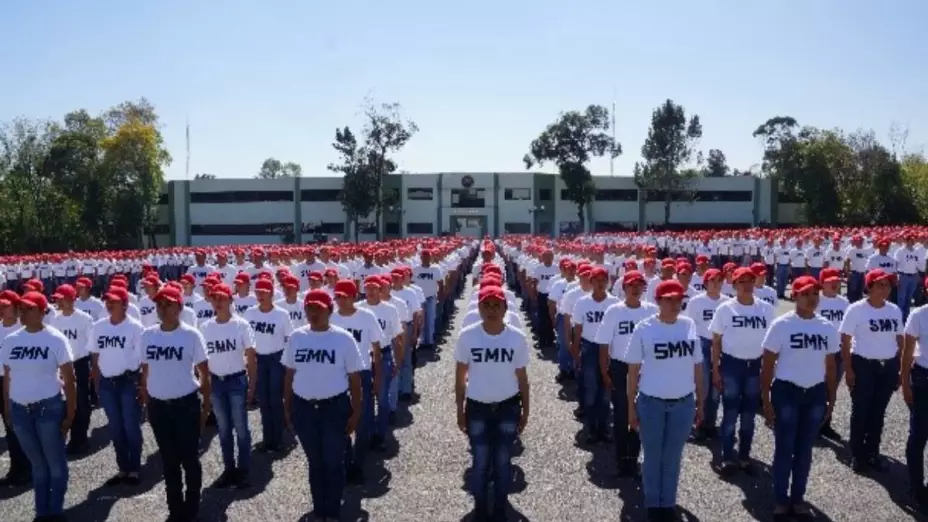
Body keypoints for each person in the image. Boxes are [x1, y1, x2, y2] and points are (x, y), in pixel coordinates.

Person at [760, 276, 839, 521]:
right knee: (785, 447)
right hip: (787, 392)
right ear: (794, 296)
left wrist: (832, 398)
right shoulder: (782, 325)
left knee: (805, 449)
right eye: (805, 293)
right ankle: (780, 500)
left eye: (815, 293)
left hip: (815, 392)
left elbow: (830, 365)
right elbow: (768, 363)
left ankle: (798, 499)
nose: (811, 298)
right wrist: (766, 399)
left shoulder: (826, 326)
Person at [626, 280, 704, 522]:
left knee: (672, 456)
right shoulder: (644, 328)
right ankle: (653, 504)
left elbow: (697, 366)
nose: (675, 303)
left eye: (678, 299)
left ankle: (667, 503)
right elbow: (633, 371)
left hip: (683, 402)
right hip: (652, 402)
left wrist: (701, 402)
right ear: (658, 301)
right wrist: (630, 408)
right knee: (652, 456)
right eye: (669, 299)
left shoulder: (689, 325)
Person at [283, 289, 363, 522]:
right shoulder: (297, 337)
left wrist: (356, 411)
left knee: (333, 462)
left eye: (318, 308)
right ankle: (320, 510)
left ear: (330, 310)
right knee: (315, 462)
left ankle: (333, 512)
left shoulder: (343, 339)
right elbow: (289, 374)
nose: (313, 313)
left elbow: (355, 378)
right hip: (304, 408)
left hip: (334, 409)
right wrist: (287, 407)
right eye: (309, 308)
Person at [455, 284, 530, 522]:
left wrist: (526, 410)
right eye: (486, 305)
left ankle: (499, 507)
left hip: (508, 406)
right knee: (480, 460)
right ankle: (480, 508)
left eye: (496, 305)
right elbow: (460, 376)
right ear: (478, 308)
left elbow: (522, 377)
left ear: (505, 308)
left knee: (503, 460)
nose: (491, 310)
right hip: (477, 406)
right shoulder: (468, 336)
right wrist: (460, 409)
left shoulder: (516, 338)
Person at [1, 291, 76, 521]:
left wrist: (70, 414)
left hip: (48, 409)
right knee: (38, 464)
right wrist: (7, 409)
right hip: (19, 410)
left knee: (55, 463)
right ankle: (42, 512)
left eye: (29, 308)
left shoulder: (55, 339)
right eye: (21, 308)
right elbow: (7, 377)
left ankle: (55, 510)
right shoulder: (11, 340)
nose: (23, 312)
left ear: (43, 312)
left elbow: (69, 379)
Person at [140, 286, 211, 522]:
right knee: (169, 461)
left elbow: (204, 372)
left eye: (168, 304)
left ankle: (192, 507)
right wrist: (146, 398)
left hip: (185, 405)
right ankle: (175, 509)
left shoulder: (191, 335)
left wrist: (206, 406)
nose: (162, 308)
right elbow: (145, 369)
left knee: (189, 459)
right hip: (159, 407)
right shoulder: (147, 335)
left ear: (179, 307)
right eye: (159, 304)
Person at [710, 267, 775, 476]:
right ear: (734, 285)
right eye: (742, 281)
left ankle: (745, 456)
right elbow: (716, 341)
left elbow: (771, 342)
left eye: (750, 281)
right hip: (731, 365)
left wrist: (769, 369)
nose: (747, 285)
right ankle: (727, 456)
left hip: (755, 366)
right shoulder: (725, 309)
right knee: (730, 412)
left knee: (749, 415)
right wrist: (715, 370)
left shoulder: (765, 309)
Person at [839, 268, 903, 473]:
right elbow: (845, 340)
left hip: (888, 365)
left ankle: (872, 452)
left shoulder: (894, 310)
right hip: (864, 364)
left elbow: (899, 338)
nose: (885, 289)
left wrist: (900, 367)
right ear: (870, 286)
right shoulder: (856, 309)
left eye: (888, 285)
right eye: (880, 285)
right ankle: (857, 455)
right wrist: (849, 369)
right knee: (861, 410)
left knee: (878, 411)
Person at [596, 270, 657, 477]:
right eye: (631, 285)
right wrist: (604, 371)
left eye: (639, 285)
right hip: (620, 367)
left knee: (641, 412)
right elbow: (604, 343)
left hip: (645, 368)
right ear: (624, 288)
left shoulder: (651, 310)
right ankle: (622, 458)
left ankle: (633, 456)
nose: (635, 289)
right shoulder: (614, 311)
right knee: (622, 412)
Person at [87, 287, 146, 486]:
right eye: (107, 301)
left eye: (114, 301)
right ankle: (123, 468)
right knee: (115, 427)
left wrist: (143, 385)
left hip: (128, 381)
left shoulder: (135, 327)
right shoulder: (99, 326)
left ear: (125, 305)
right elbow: (95, 355)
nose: (109, 304)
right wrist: (96, 382)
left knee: (130, 426)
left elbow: (144, 360)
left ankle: (134, 469)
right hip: (107, 383)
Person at [201, 283, 257, 488]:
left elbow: (251, 356)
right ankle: (229, 469)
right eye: (214, 298)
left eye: (222, 298)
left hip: (236, 380)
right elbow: (203, 360)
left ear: (230, 300)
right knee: (224, 429)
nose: (218, 302)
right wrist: (204, 385)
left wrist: (252, 384)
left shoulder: (241, 325)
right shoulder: (206, 327)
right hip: (216, 382)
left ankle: (244, 470)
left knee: (241, 428)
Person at [242, 278, 293, 453]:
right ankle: (267, 438)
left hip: (276, 359)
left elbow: (289, 339)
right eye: (258, 292)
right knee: (263, 399)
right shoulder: (250, 313)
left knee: (275, 399)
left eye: (264, 292)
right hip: (258, 359)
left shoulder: (281, 314)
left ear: (271, 293)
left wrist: (287, 363)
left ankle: (277, 439)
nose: (260, 295)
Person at [570, 267, 619, 443]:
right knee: (591, 388)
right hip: (589, 347)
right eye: (596, 280)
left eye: (603, 280)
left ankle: (603, 426)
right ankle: (591, 427)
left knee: (606, 389)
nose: (600, 283)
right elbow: (578, 328)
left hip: (610, 348)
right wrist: (576, 350)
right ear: (591, 282)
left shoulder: (614, 303)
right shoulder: (582, 303)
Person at [48, 284, 95, 455]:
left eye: (61, 299)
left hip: (79, 363)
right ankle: (64, 437)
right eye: (57, 299)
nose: (58, 302)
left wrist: (93, 367)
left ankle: (79, 440)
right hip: (61, 365)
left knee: (81, 403)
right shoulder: (55, 319)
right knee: (64, 402)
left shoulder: (84, 319)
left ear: (70, 299)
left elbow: (92, 345)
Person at [683, 268, 726, 442]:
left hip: (721, 345)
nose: (716, 284)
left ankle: (710, 424)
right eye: (712, 281)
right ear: (705, 283)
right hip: (701, 343)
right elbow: (688, 325)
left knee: (716, 388)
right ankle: (698, 424)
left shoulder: (727, 302)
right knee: (703, 386)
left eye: (719, 281)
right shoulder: (696, 301)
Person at [815, 267, 850, 440]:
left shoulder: (844, 303)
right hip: (819, 352)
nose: (835, 284)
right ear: (823, 283)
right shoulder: (816, 300)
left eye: (837, 281)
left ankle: (825, 423)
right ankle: (812, 423)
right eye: (831, 282)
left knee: (831, 389)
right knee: (816, 388)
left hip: (837, 352)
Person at [0, 291, 30, 487]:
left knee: (18, 426)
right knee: (8, 426)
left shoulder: (24, 329)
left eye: (5, 306)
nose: (1, 309)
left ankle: (25, 469)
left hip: (17, 381)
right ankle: (16, 468)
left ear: (16, 307)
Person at [904, 276, 928, 509]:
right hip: (923, 378)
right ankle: (916, 487)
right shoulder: (919, 315)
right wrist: (904, 382)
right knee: (918, 436)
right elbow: (908, 352)